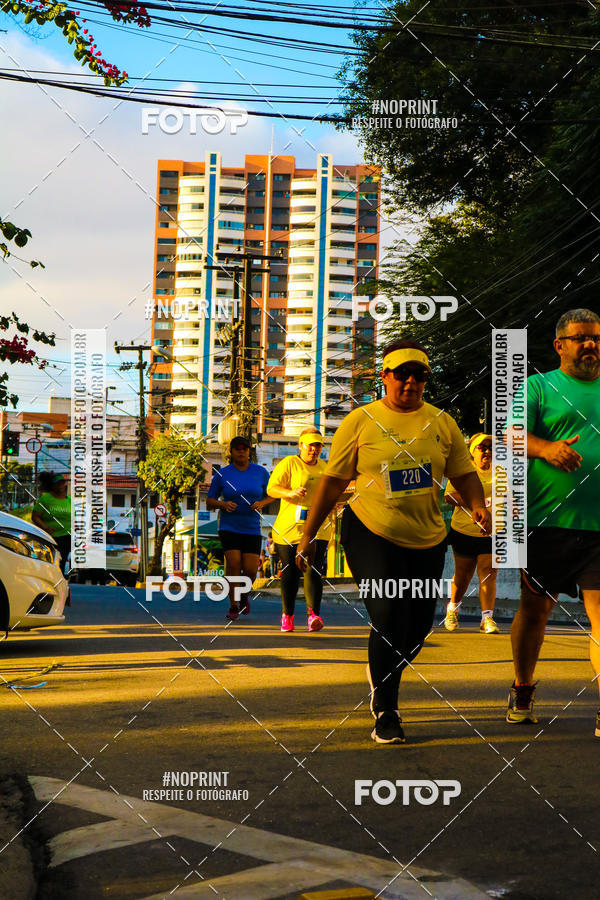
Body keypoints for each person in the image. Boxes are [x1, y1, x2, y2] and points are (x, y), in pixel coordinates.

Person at [296, 339, 491, 744]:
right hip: (371, 531)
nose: (411, 382)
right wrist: (308, 535)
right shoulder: (361, 420)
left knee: (417, 628)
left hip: (427, 537)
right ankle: (386, 708)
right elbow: (332, 481)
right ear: (384, 377)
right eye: (402, 374)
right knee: (387, 616)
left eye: (419, 376)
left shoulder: (441, 422)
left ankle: (383, 672)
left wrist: (477, 504)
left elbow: (464, 472)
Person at [507, 309, 600, 732]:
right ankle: (523, 687)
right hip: (547, 525)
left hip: (598, 527)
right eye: (580, 338)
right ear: (560, 345)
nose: (590, 345)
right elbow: (510, 436)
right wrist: (545, 449)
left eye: (596, 338)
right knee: (535, 612)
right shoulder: (537, 387)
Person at [267, 427, 331, 632]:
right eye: (310, 444)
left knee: (314, 568)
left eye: (318, 445)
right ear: (301, 445)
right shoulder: (290, 463)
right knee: (291, 571)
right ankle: (287, 615)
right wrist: (290, 492)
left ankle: (314, 615)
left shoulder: (324, 467)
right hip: (289, 528)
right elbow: (271, 488)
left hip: (318, 526)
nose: (314, 449)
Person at [206, 436, 271, 620]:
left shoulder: (261, 472)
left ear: (249, 451)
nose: (241, 451)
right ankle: (233, 605)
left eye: (245, 448)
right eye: (237, 448)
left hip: (252, 527)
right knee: (233, 564)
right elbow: (210, 499)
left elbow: (272, 495)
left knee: (250, 570)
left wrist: (262, 503)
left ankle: (243, 594)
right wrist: (223, 505)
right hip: (229, 526)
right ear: (232, 452)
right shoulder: (222, 474)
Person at [444, 433, 499, 634]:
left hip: (492, 532)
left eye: (490, 447)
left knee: (489, 573)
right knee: (463, 576)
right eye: (481, 447)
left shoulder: (501, 472)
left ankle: (487, 618)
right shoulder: (465, 472)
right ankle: (453, 609)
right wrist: (478, 504)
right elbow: (449, 495)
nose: (487, 451)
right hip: (464, 530)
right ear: (472, 452)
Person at [31, 472, 72, 574]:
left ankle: (59, 584)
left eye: (62, 483)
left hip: (66, 538)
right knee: (49, 562)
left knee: (61, 563)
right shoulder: (46, 499)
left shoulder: (69, 500)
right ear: (52, 485)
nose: (60, 485)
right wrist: (45, 527)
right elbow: (35, 516)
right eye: (57, 483)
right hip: (50, 538)